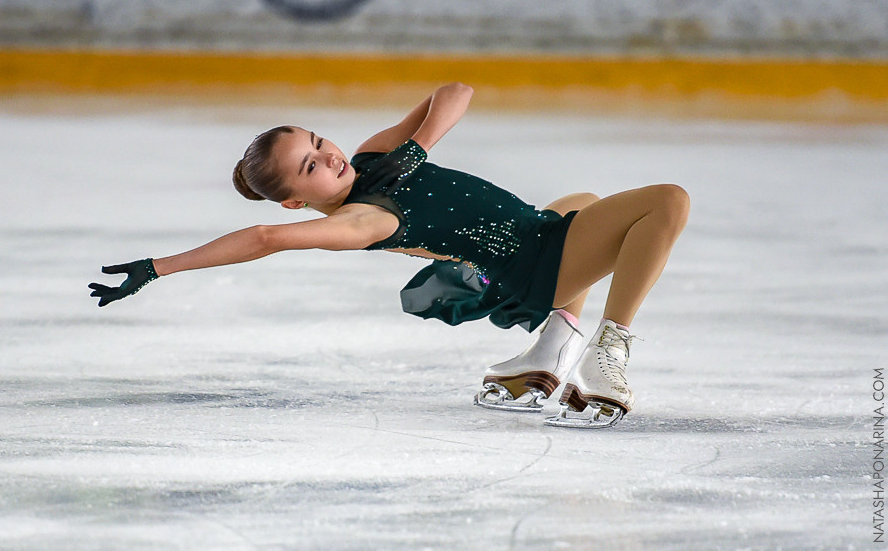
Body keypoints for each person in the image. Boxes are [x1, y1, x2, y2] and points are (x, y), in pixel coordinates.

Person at [89, 83, 689, 428]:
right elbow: (264, 238)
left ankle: (549, 350)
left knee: (583, 201)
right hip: (535, 266)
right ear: (296, 201)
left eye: (319, 142)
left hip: (535, 239)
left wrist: (418, 145)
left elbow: (454, 92)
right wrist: (158, 268)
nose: (330, 157)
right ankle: (609, 350)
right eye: (310, 167)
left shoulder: (374, 160)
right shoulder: (362, 221)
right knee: (668, 201)